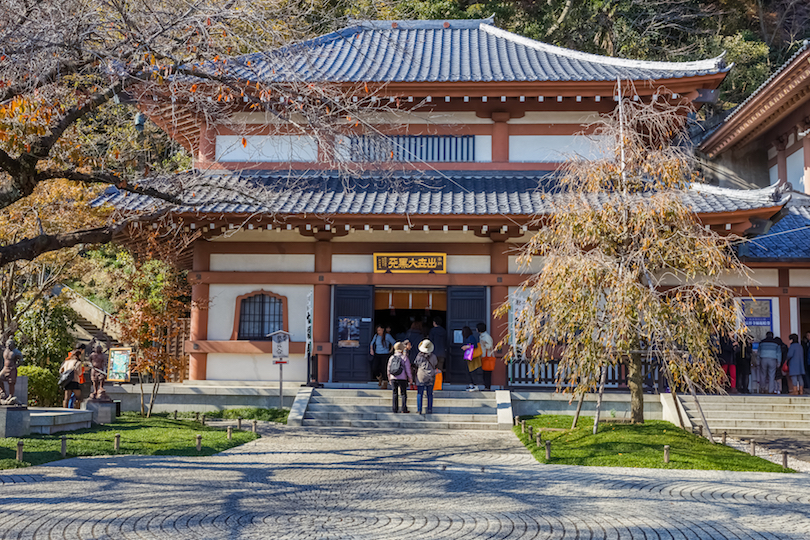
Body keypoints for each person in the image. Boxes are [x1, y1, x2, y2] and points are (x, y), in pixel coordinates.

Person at [414, 340, 438, 415]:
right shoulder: (433, 356)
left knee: (420, 393)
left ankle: (419, 409)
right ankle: (429, 409)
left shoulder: (419, 356)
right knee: (430, 394)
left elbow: (416, 364)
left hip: (421, 375)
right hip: (430, 375)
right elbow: (435, 363)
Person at [388, 341, 412, 413]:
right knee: (403, 394)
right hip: (402, 377)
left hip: (393, 377)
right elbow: (408, 369)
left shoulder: (391, 357)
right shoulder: (404, 358)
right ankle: (403, 409)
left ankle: (394, 409)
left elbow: (388, 368)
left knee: (394, 393)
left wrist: (389, 377)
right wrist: (410, 378)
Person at [461, 326, 483, 391]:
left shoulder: (471, 337)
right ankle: (471, 385)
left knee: (473, 371)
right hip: (470, 358)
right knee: (469, 371)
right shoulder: (468, 337)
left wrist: (466, 346)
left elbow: (475, 345)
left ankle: (475, 386)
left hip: (473, 358)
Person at [477, 322, 495, 390]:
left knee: (487, 373)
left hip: (487, 356)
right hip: (484, 356)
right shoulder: (482, 336)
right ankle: (486, 386)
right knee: (485, 372)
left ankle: (487, 386)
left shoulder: (486, 336)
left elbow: (490, 346)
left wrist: (484, 344)